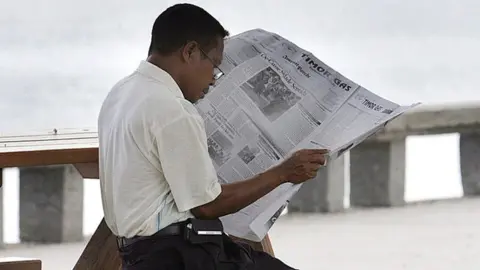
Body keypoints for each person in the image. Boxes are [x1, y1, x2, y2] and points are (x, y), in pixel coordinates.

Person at [97, 3, 328, 270]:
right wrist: (284, 172)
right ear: (190, 52)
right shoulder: (172, 109)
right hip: (178, 256)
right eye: (214, 65)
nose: (213, 79)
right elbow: (207, 206)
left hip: (134, 254)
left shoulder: (119, 93)